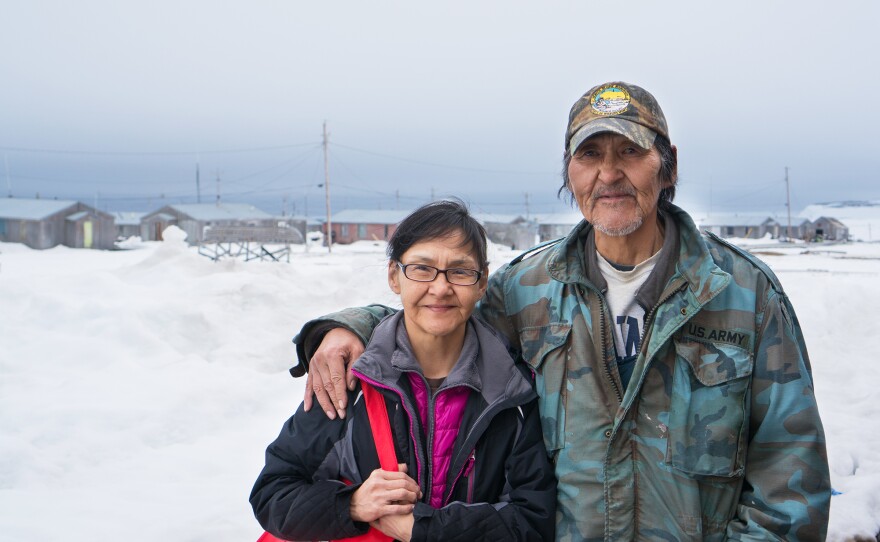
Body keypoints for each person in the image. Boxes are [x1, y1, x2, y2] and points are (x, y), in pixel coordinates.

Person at [293, 82, 831, 540]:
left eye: (630, 152)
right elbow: (439, 313)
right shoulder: (526, 289)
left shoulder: (741, 293)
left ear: (667, 168)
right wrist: (353, 326)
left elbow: (791, 478)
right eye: (590, 155)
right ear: (569, 173)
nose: (609, 174)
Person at [251, 200, 556, 541]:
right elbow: (272, 493)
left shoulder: (511, 392)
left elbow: (532, 520)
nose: (440, 288)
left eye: (460, 271)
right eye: (422, 268)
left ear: (482, 282)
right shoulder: (351, 379)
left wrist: (422, 530)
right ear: (394, 276)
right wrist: (351, 505)